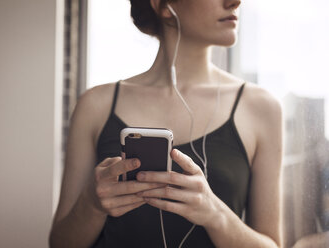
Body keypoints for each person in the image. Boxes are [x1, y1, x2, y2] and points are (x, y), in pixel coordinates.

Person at [49, 0, 283, 247]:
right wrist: (92, 204)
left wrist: (216, 214)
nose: (235, 2)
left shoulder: (260, 108)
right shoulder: (94, 105)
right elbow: (60, 243)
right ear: (162, 5)